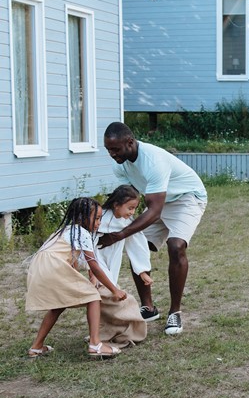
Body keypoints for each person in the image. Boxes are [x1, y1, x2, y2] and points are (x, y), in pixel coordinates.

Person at [100, 122, 207, 335]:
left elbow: (154, 210)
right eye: (108, 150)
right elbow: (127, 199)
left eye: (116, 149)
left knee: (176, 246)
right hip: (158, 202)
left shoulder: (152, 160)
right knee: (136, 246)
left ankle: (174, 313)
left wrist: (121, 234)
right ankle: (148, 308)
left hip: (186, 198)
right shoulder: (119, 163)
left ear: (130, 142)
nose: (112, 154)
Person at [26, 197, 125, 358]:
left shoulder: (66, 231)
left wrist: (90, 280)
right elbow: (94, 265)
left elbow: (77, 263)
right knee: (93, 298)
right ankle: (95, 344)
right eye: (97, 218)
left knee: (58, 305)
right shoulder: (82, 232)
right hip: (54, 266)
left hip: (41, 267)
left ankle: (36, 347)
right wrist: (114, 290)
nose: (99, 222)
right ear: (82, 217)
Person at [94, 185, 149, 347]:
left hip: (113, 262)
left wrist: (142, 270)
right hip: (97, 261)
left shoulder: (126, 223)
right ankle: (104, 332)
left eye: (135, 208)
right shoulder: (99, 219)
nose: (132, 212)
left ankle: (107, 332)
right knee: (106, 295)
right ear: (116, 204)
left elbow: (137, 243)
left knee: (107, 298)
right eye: (130, 208)